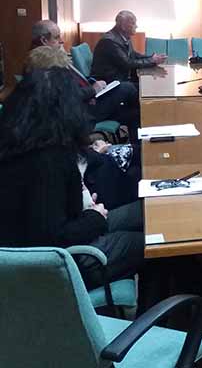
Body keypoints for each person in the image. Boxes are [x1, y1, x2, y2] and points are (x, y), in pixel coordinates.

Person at [0, 67, 144, 290]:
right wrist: (94, 217)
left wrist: (85, 207)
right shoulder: (50, 159)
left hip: (37, 250)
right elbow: (52, 237)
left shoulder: (18, 145)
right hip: (61, 265)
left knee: (145, 212)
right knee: (153, 243)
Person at [30, 20, 141, 133]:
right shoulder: (42, 64)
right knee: (127, 88)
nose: (61, 41)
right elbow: (65, 96)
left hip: (87, 101)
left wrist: (93, 83)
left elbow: (76, 81)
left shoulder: (53, 57)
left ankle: (140, 143)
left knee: (136, 113)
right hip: (80, 112)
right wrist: (92, 90)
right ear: (44, 40)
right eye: (57, 37)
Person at [91, 10, 167, 83]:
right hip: (110, 82)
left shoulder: (124, 36)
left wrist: (151, 57)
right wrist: (152, 60)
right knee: (145, 85)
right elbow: (127, 63)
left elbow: (132, 54)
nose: (136, 26)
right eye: (133, 23)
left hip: (121, 77)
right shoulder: (109, 41)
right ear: (123, 26)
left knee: (148, 82)